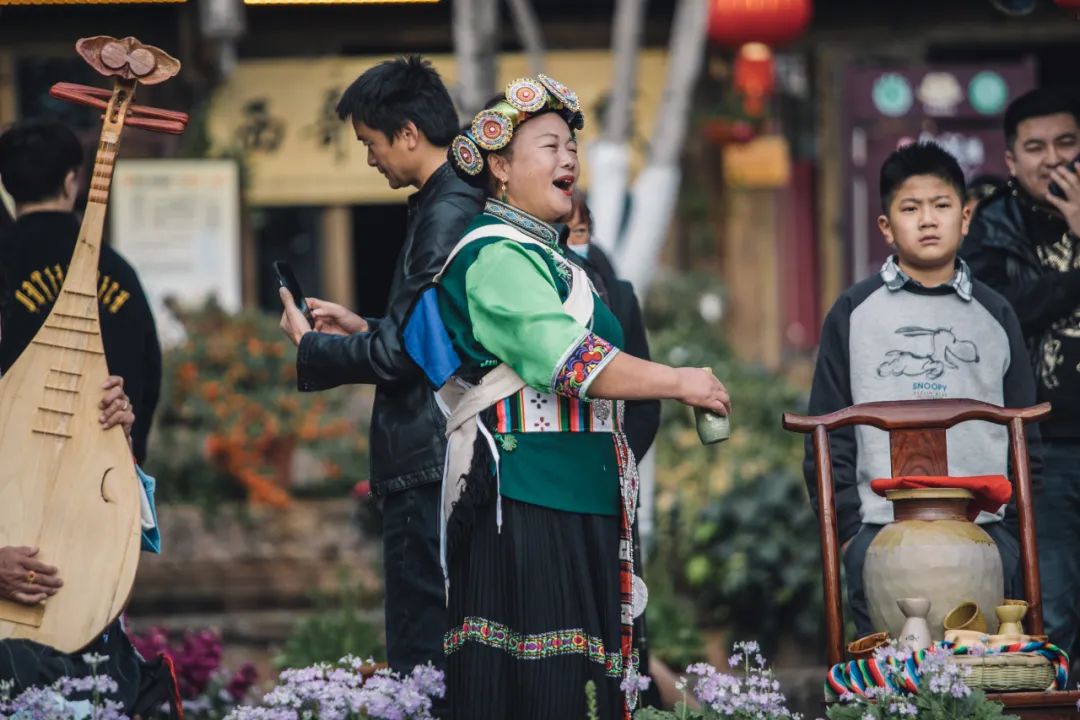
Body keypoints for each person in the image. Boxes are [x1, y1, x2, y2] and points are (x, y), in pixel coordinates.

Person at [394, 76, 729, 719]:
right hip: (526, 494)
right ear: (499, 166)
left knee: (584, 684)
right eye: (549, 146)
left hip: (578, 490)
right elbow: (566, 360)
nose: (569, 158)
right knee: (542, 687)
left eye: (572, 147)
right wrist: (679, 380)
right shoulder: (495, 255)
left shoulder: (556, 260)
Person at [276, 55, 483, 699]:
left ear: (408, 134)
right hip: (437, 452)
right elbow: (428, 337)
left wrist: (312, 346)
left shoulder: (445, 211)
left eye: (371, 143)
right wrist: (362, 326)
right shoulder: (451, 200)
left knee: (423, 654)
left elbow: (402, 357)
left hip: (426, 457)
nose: (370, 159)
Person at [806, 142, 1039, 637]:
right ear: (886, 226)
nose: (928, 220)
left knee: (982, 672)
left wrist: (1013, 539)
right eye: (910, 208)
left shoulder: (995, 314)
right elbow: (827, 433)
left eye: (941, 205)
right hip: (881, 534)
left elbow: (1025, 435)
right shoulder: (853, 313)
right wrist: (852, 540)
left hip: (986, 535)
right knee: (888, 677)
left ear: (966, 217)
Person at [959, 88, 1080, 658]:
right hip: (1044, 446)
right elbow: (1000, 315)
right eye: (1036, 148)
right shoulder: (991, 228)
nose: (1053, 159)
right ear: (1011, 160)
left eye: (1066, 142)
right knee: (1053, 607)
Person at [0, 120, 161, 464]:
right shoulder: (117, 270)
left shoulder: (5, 263)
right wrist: (130, 453)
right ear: (70, 180)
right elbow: (149, 371)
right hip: (101, 470)